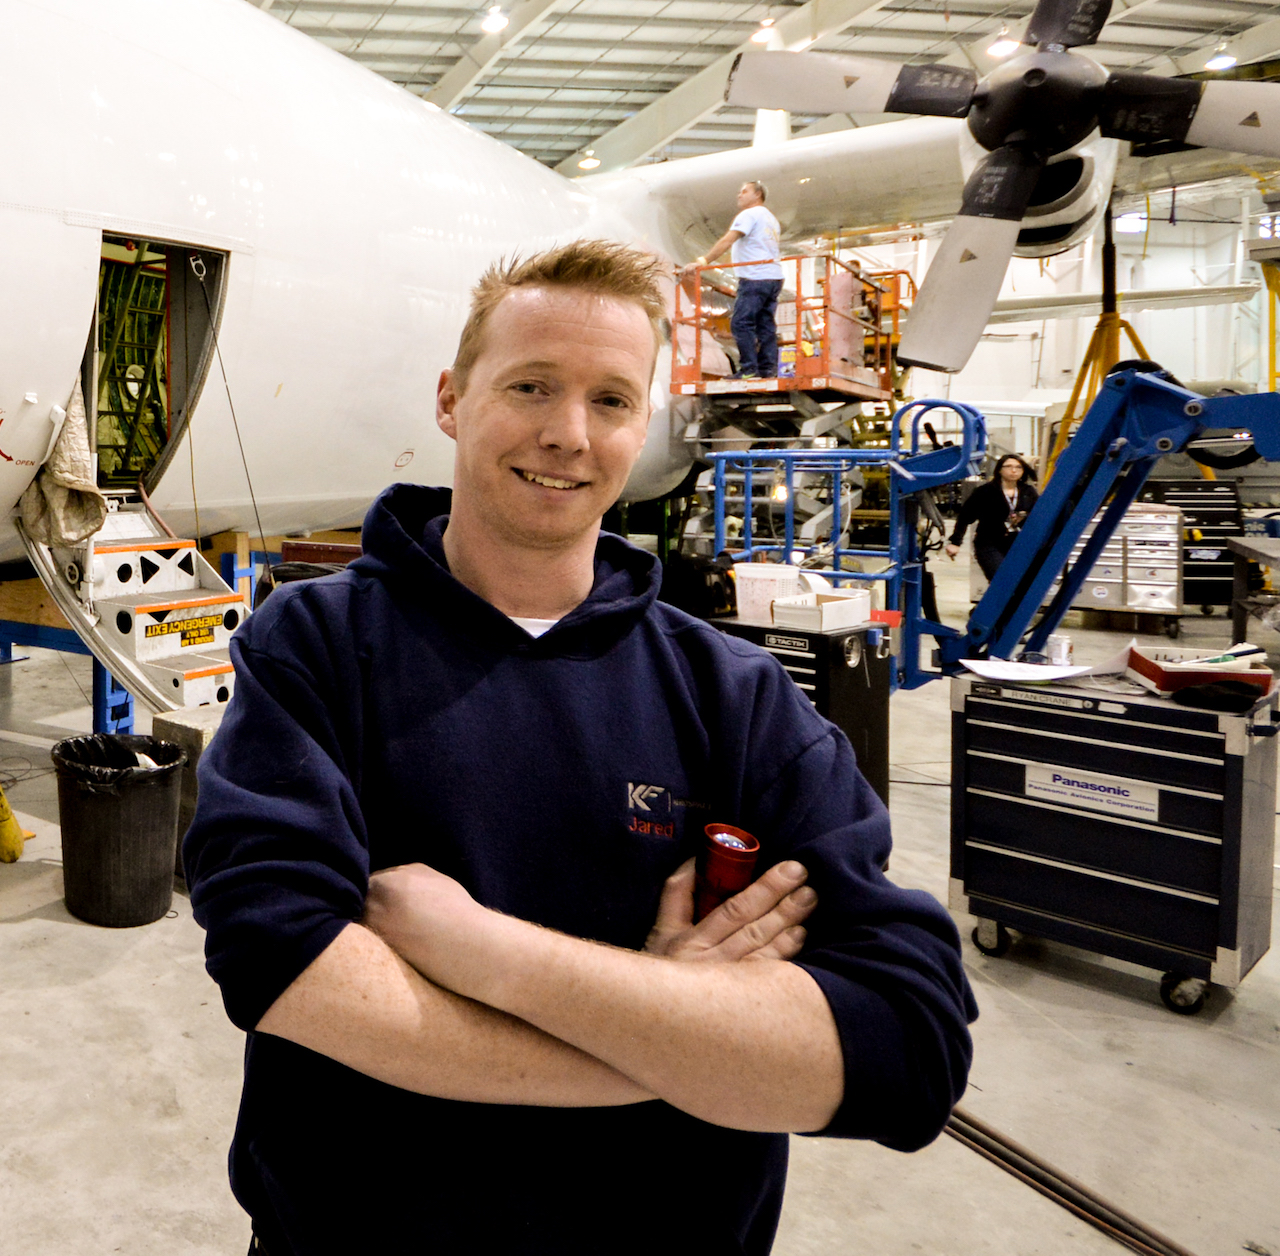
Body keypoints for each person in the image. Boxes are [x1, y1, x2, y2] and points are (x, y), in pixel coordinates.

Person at [183, 238, 974, 1256]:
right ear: (450, 398)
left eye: (611, 400)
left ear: (642, 426)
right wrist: (679, 1035)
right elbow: (278, 962)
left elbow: (902, 1052)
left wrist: (485, 951)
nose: (568, 433)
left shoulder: (737, 699)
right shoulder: (314, 648)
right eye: (530, 386)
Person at [684, 181, 785, 379]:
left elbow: (728, 240)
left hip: (754, 277)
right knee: (765, 324)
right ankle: (767, 369)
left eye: (744, 191)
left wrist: (703, 261)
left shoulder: (749, 215)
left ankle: (749, 369)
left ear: (757, 195)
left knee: (740, 322)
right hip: (774, 277)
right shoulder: (771, 219)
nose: (739, 195)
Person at [947, 453, 1039, 585]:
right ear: (1000, 469)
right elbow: (965, 517)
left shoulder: (1028, 492)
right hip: (989, 543)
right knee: (1000, 580)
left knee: (1022, 583)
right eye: (1009, 467)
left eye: (1018, 467)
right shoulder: (985, 491)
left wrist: (1024, 516)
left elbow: (1037, 516)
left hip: (1018, 543)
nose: (1014, 470)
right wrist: (955, 542)